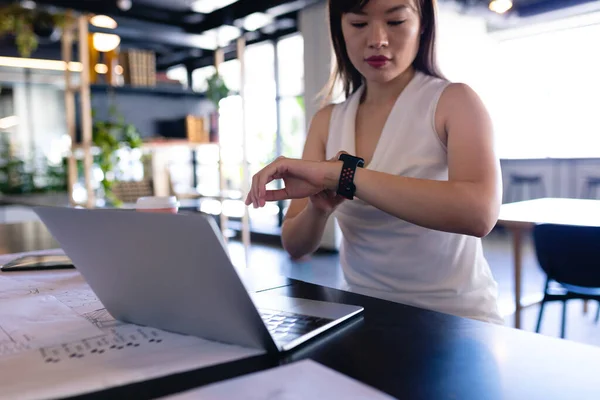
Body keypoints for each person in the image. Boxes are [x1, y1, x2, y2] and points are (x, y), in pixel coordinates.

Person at [245, 0, 504, 325]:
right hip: (362, 314)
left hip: (457, 319)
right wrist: (318, 209)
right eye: (358, 24)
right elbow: (295, 246)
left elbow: (479, 214)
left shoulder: (454, 101)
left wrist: (342, 175)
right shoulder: (328, 120)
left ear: (422, 24)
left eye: (395, 21)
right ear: (340, 29)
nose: (377, 39)